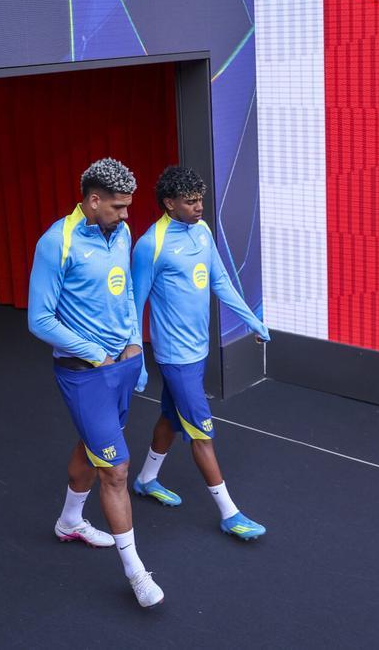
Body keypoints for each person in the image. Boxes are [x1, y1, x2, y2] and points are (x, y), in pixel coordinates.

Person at [27, 158, 164, 609]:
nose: (127, 215)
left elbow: (125, 293)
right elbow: (39, 320)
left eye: (128, 206)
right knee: (116, 469)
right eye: (118, 207)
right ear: (92, 200)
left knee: (94, 445)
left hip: (121, 364)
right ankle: (136, 572)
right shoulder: (57, 243)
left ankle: (69, 522)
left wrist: (135, 345)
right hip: (85, 373)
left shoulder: (120, 233)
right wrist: (97, 353)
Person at [130, 166, 271, 541]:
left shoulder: (203, 230)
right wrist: (137, 360)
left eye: (200, 200)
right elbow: (135, 304)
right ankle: (230, 514)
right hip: (175, 357)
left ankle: (146, 479)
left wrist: (251, 322)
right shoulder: (150, 244)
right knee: (201, 433)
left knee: (170, 416)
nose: (199, 207)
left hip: (199, 350)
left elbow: (220, 281)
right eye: (190, 201)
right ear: (169, 203)